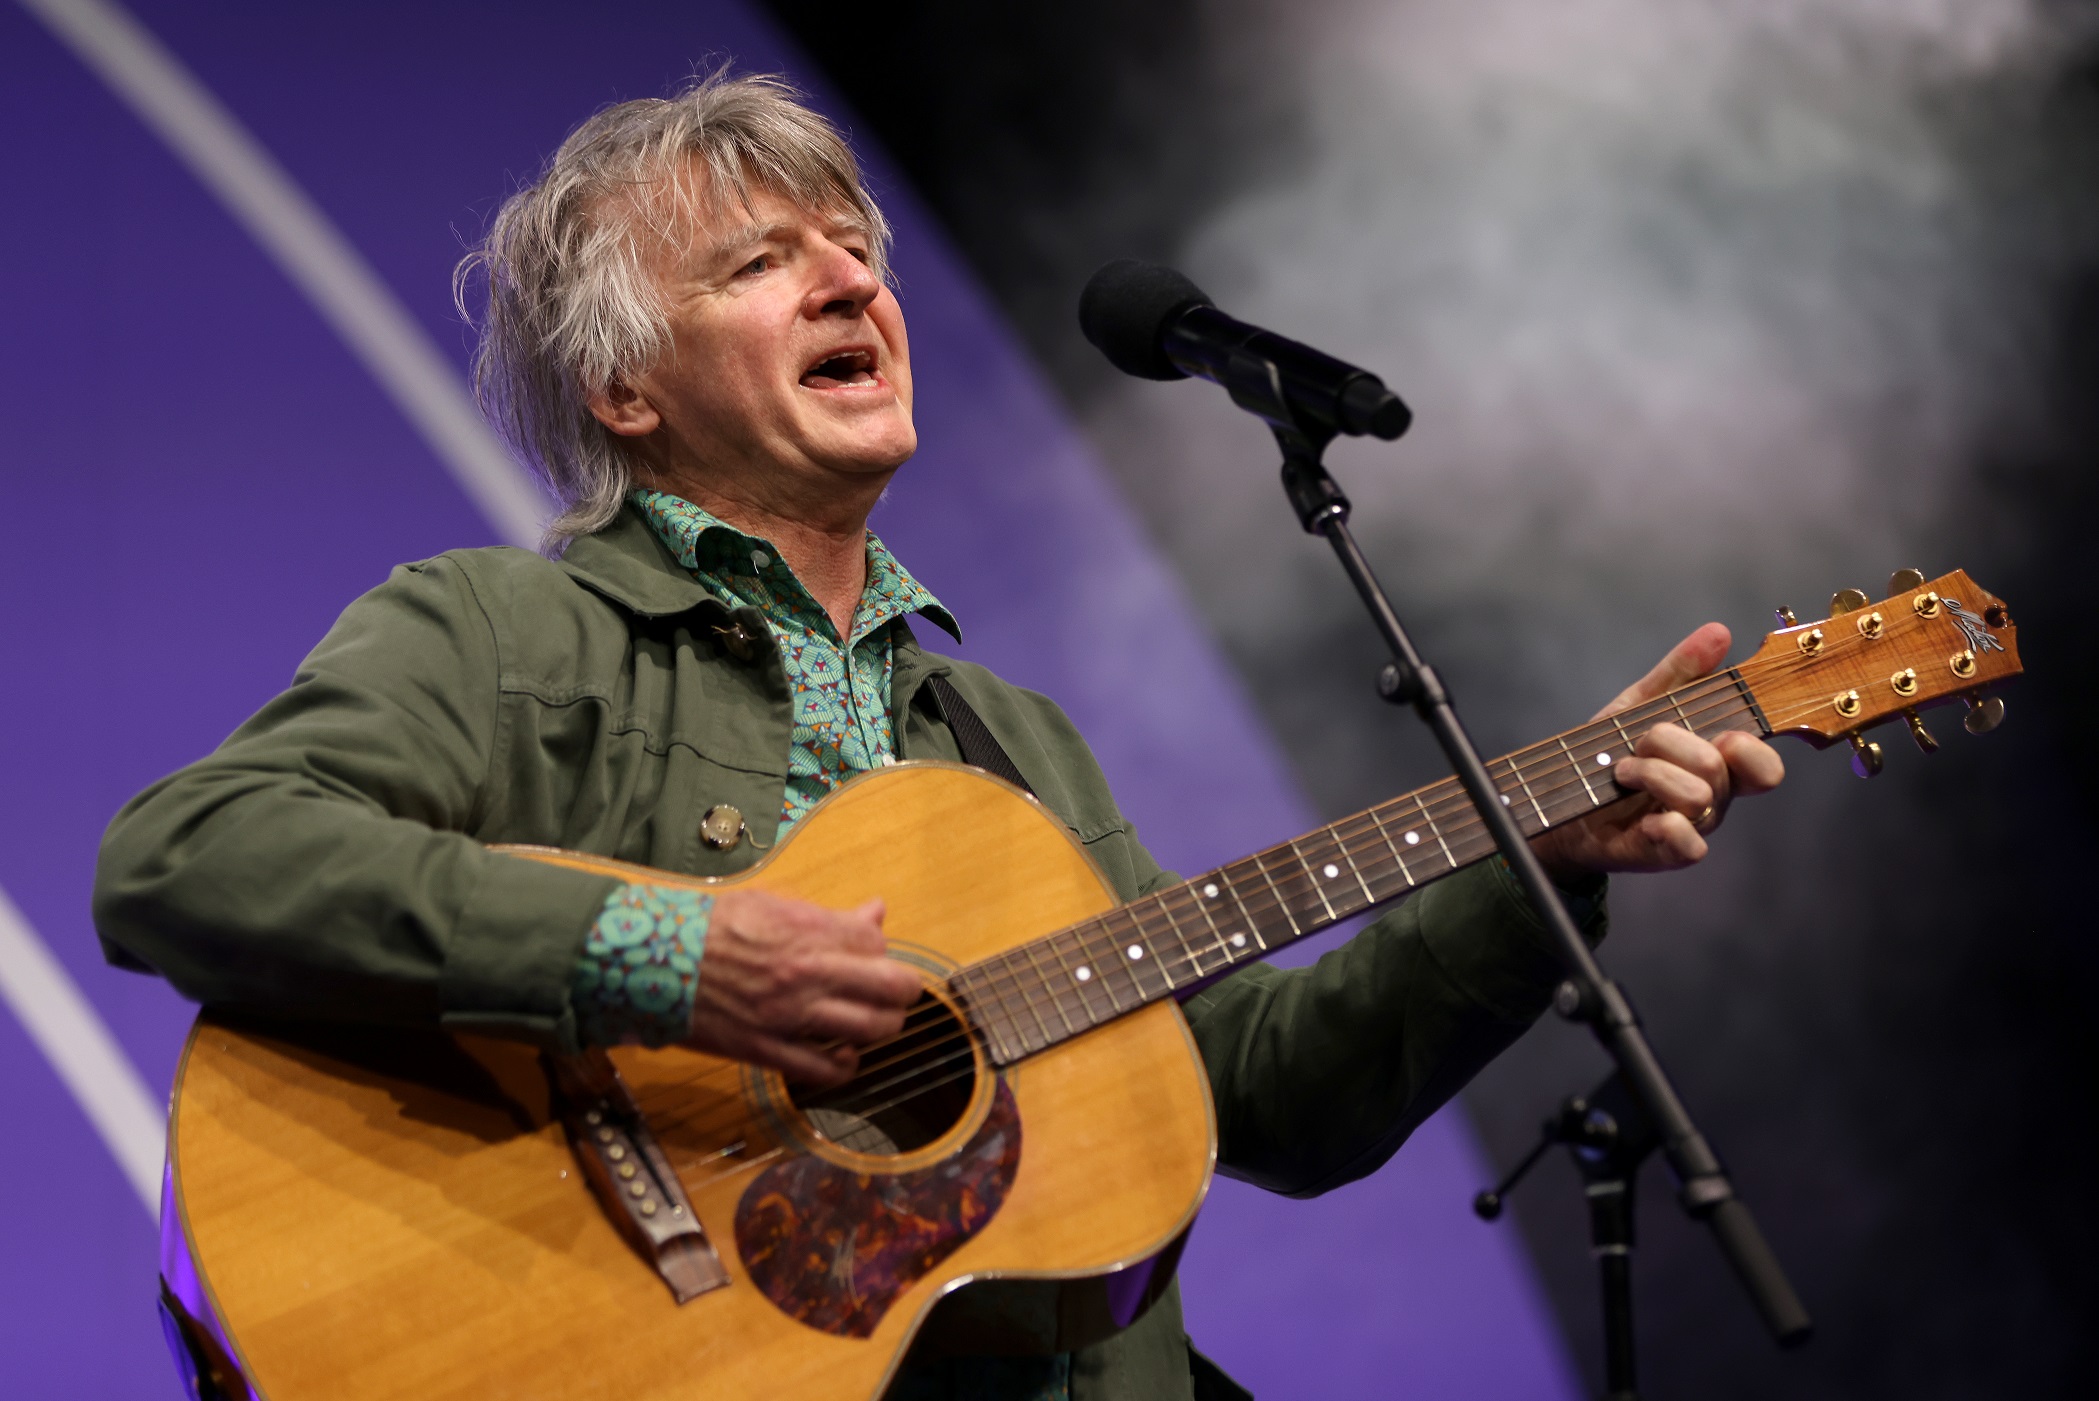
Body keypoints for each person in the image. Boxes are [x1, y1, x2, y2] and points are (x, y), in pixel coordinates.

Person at [93, 72, 1784, 1401]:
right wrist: (666, 955)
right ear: (627, 391)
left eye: (857, 251)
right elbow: (185, 856)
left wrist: (1536, 853)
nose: (847, 279)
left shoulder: (1006, 744)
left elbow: (1270, 1092)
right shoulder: (508, 632)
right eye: (761, 263)